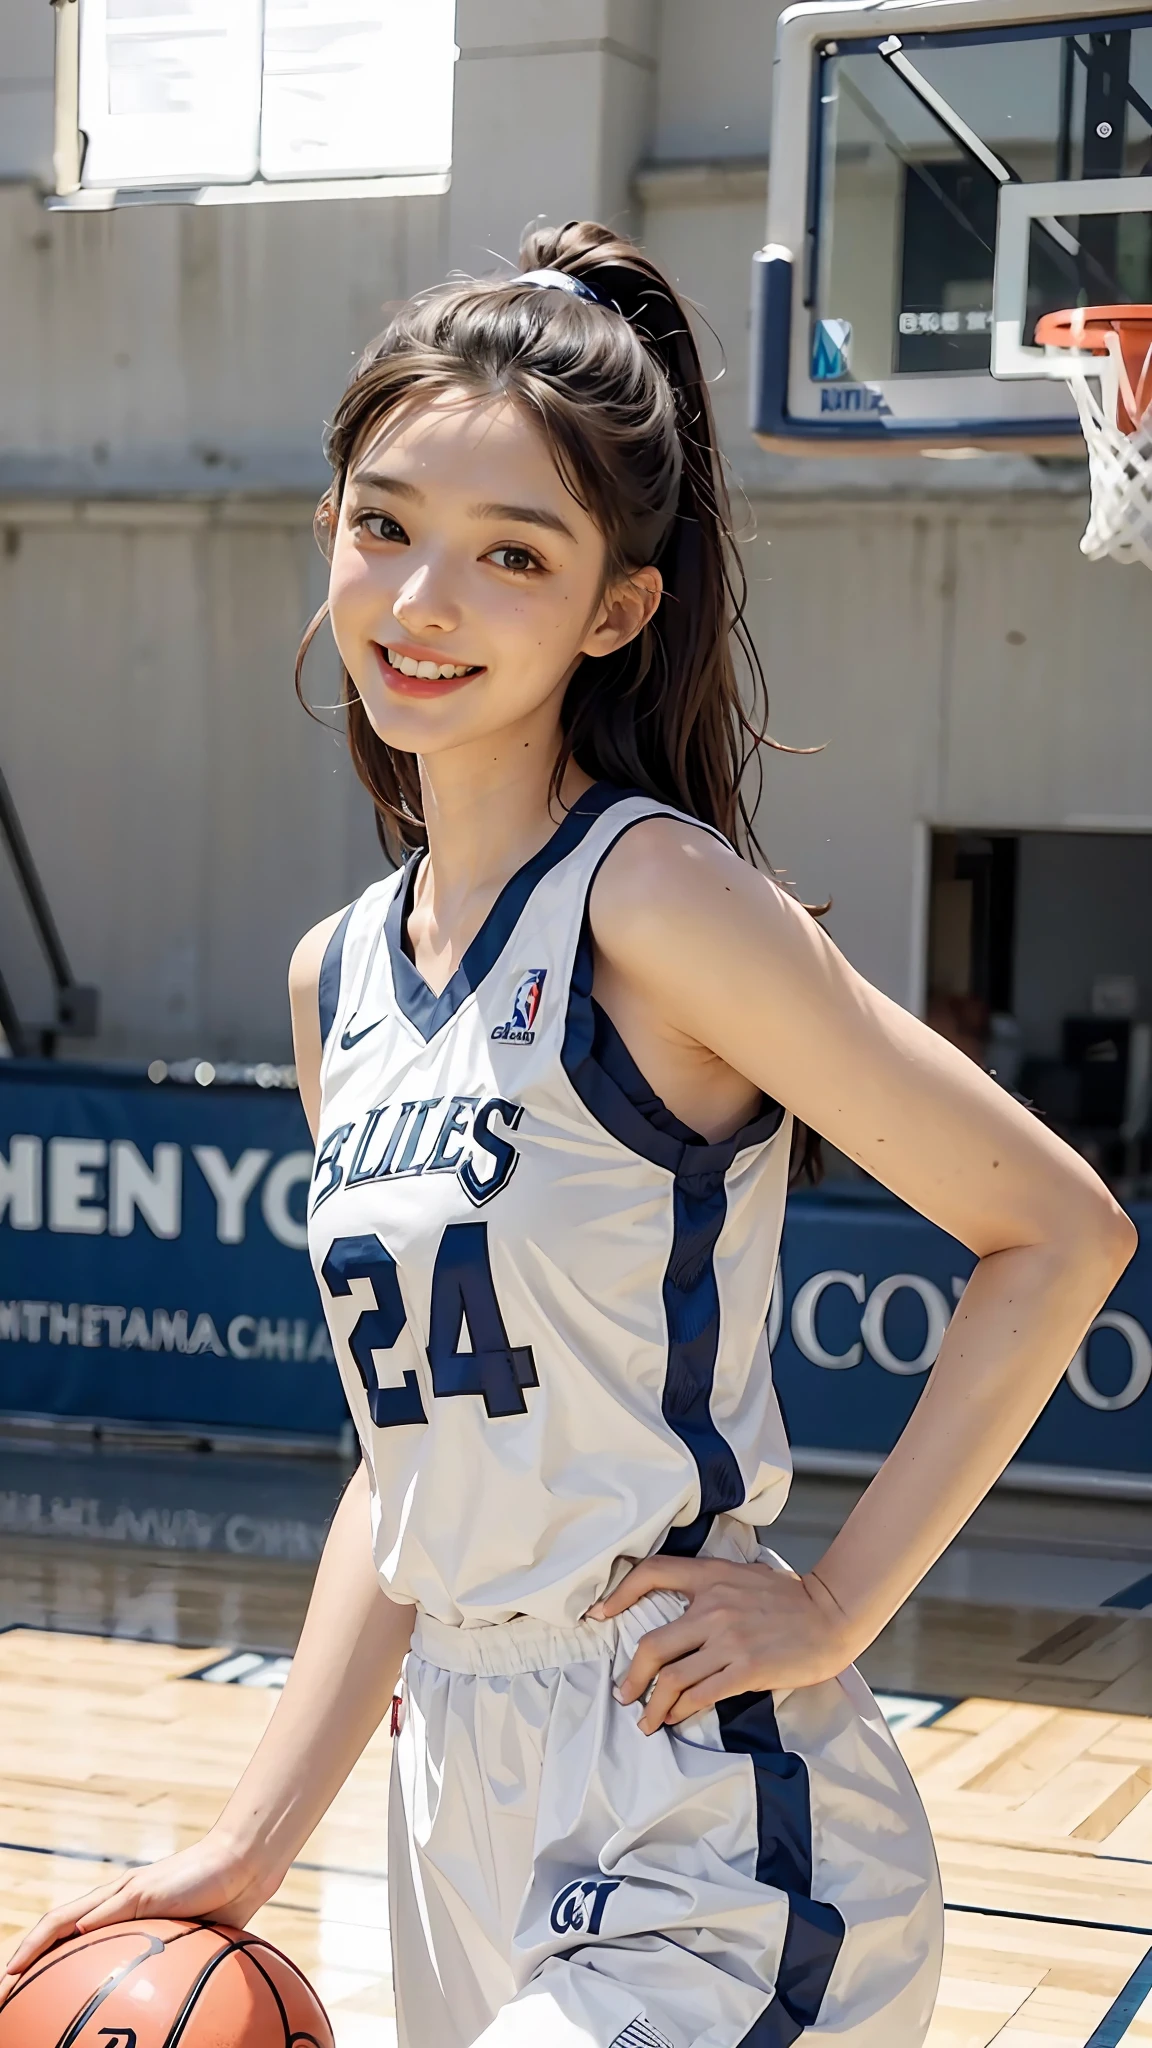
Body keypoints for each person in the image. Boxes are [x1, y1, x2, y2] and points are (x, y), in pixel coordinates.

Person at [2, 221, 1134, 2047]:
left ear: (617, 605)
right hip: (449, 1788)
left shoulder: (656, 897)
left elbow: (1059, 1231)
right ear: (331, 532)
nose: (422, 601)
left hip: (695, 1802)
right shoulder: (336, 979)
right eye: (384, 525)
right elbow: (403, 1474)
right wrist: (240, 1848)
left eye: (509, 555)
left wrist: (837, 1604)